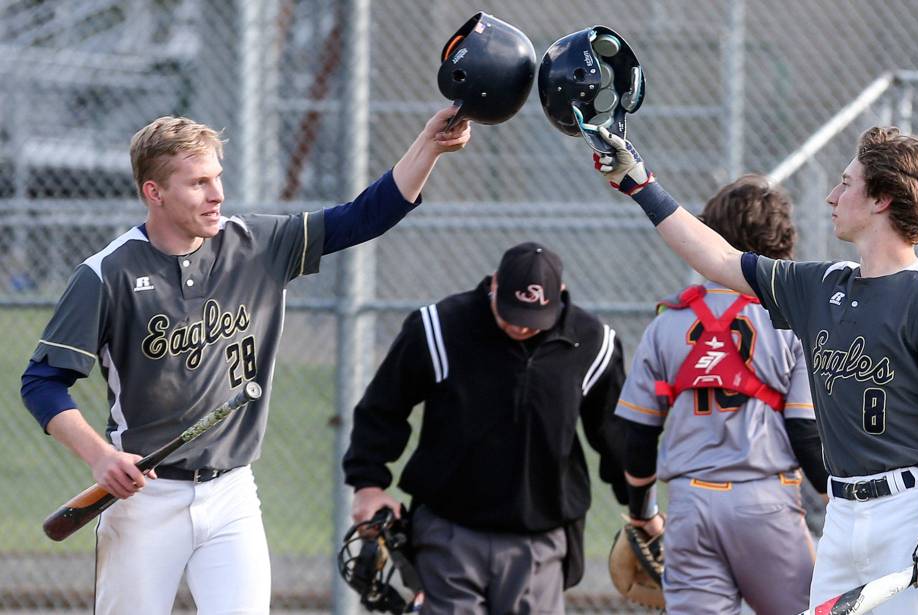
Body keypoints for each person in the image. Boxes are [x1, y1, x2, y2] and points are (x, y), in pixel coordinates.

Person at [19, 104, 471, 615]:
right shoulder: (107, 274)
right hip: (144, 499)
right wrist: (101, 456)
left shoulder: (257, 244)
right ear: (155, 192)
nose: (217, 196)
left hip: (232, 493)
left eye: (217, 178)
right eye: (198, 183)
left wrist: (429, 146)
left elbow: (367, 215)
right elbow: (42, 382)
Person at [591, 125, 918, 614]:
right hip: (842, 515)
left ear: (882, 199)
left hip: (911, 512)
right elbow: (719, 259)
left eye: (847, 183)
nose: (832, 195)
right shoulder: (821, 284)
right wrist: (640, 184)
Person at [342, 241, 628, 615]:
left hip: (540, 537)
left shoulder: (592, 344)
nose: (520, 325)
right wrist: (368, 484)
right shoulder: (440, 327)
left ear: (560, 297)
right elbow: (383, 407)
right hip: (448, 531)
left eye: (532, 316)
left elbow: (617, 436)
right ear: (493, 285)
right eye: (510, 311)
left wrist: (641, 510)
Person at [615, 175, 827, 615]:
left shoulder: (667, 321)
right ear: (782, 240)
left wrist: (642, 513)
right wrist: (838, 500)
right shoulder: (790, 320)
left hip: (690, 506)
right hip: (764, 502)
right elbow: (805, 431)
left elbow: (635, 433)